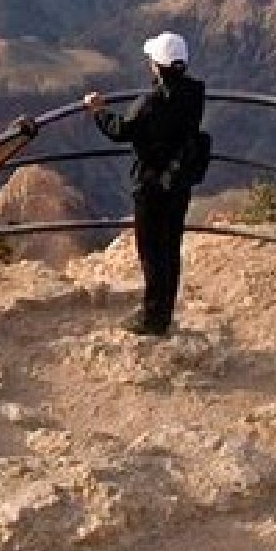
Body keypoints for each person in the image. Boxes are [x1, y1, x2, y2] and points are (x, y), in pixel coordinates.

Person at [84, 31, 206, 336]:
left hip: (151, 185)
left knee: (151, 251)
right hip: (180, 181)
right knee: (170, 247)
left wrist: (98, 111)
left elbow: (120, 131)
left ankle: (153, 319)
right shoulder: (195, 93)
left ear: (157, 66)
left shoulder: (150, 103)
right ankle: (163, 311)